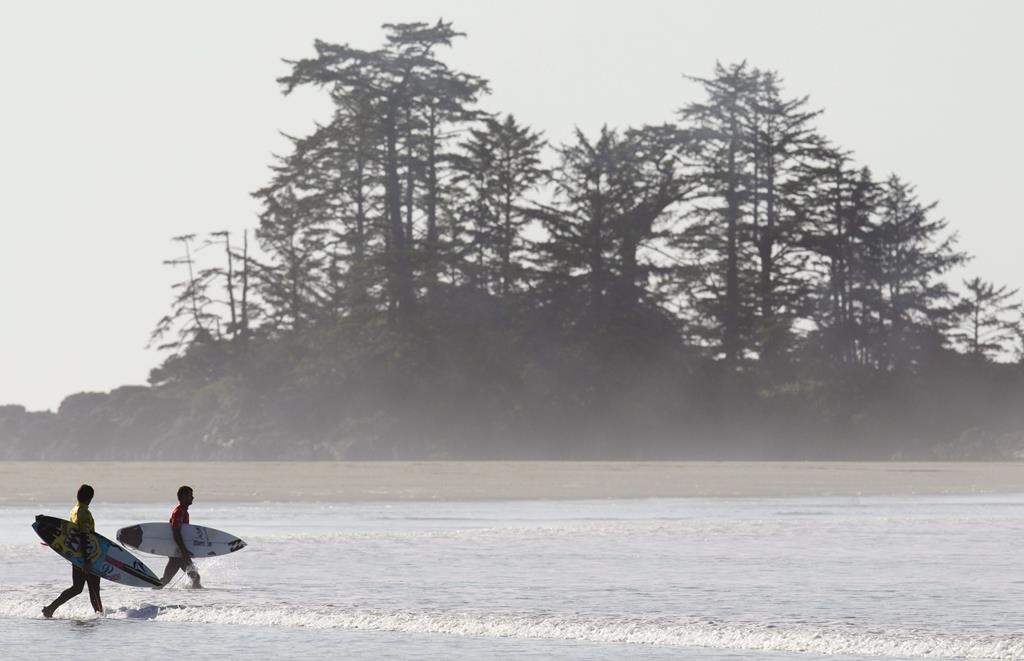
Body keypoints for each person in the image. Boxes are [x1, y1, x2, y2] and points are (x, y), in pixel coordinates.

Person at [42, 484, 103, 618]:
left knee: (77, 588)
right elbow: (83, 536)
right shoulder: (84, 513)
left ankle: (50, 609)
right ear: (90, 498)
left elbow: (72, 533)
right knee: (94, 588)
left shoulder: (74, 510)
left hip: (76, 555)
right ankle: (100, 617)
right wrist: (87, 561)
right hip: (87, 555)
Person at [159, 485, 202, 588]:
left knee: (165, 581)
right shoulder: (179, 512)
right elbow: (176, 531)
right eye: (190, 495)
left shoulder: (183, 511)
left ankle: (153, 598)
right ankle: (194, 601)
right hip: (178, 552)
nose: (193, 497)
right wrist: (183, 550)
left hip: (178, 552)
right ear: (183, 496)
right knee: (195, 578)